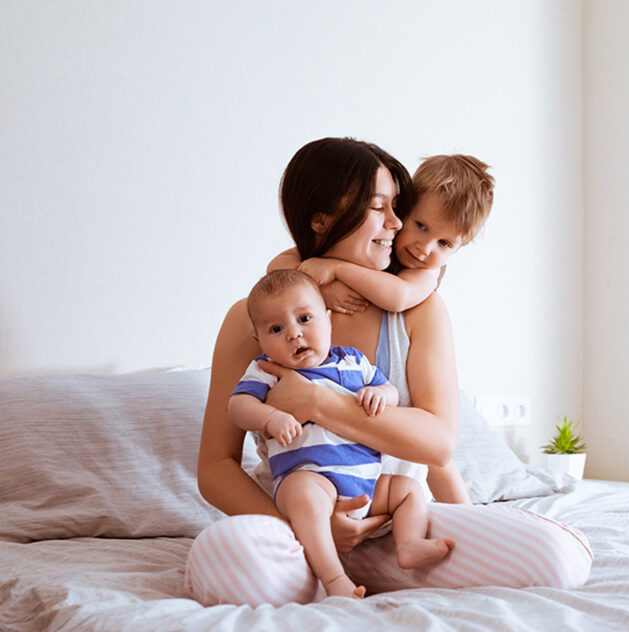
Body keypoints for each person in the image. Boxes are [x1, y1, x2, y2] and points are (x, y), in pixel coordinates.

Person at [185, 137, 592, 607]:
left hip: (400, 526)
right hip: (296, 528)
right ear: (321, 220)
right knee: (222, 557)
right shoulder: (254, 318)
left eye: (398, 207)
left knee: (555, 556)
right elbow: (215, 467)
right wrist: (305, 530)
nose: (397, 225)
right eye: (380, 208)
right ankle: (326, 573)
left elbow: (439, 441)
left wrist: (319, 402)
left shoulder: (418, 309)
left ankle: (367, 576)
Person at [267, 153, 495, 504]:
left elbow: (397, 296)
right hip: (310, 493)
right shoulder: (274, 310)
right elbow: (277, 266)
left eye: (445, 244)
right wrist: (318, 286)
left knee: (438, 465)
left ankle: (473, 523)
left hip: (400, 482)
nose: (424, 247)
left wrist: (335, 270)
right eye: (419, 226)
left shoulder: (421, 285)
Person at [230, 269, 453, 599]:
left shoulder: (353, 361)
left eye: (305, 318)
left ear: (328, 320)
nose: (294, 334)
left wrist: (382, 396)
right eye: (276, 329)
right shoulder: (266, 370)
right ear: (259, 341)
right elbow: (238, 407)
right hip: (309, 476)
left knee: (407, 489)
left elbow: (387, 388)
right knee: (305, 497)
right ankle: (334, 579)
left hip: (366, 483)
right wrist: (270, 417)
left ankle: (409, 545)